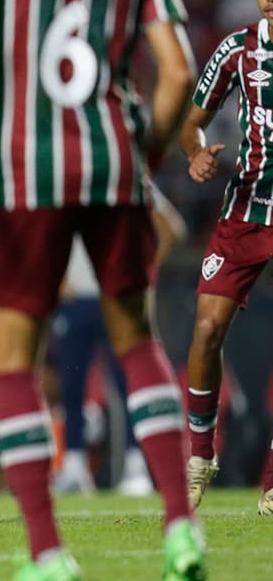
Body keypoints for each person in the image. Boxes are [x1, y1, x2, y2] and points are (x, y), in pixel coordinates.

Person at [0, 0, 206, 578]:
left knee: (14, 358)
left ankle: (49, 554)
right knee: (139, 344)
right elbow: (177, 73)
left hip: (27, 169)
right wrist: (139, 155)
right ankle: (182, 530)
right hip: (114, 164)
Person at [177, 0, 273, 517]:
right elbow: (192, 124)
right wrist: (195, 155)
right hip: (247, 207)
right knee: (207, 328)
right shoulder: (237, 49)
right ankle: (199, 455)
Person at [51, 185, 186, 497]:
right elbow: (46, 231)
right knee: (71, 386)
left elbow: (172, 226)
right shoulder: (66, 173)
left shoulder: (126, 168)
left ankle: (135, 465)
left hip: (116, 296)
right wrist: (56, 275)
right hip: (78, 298)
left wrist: (144, 270)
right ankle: (73, 465)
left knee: (127, 384)